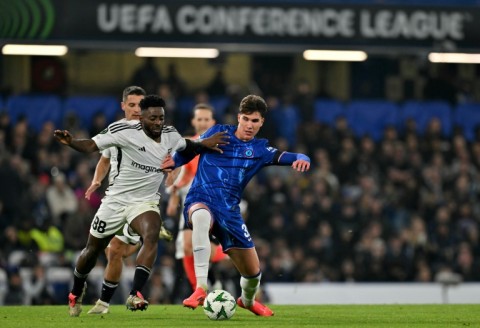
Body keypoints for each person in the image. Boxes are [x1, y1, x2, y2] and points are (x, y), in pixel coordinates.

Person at [54, 95, 228, 317]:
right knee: (92, 251)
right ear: (142, 118)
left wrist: (205, 145)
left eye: (161, 118)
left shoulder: (169, 134)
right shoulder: (124, 131)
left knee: (152, 232)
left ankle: (135, 293)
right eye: (153, 118)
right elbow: (91, 145)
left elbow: (188, 146)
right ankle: (76, 291)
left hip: (144, 202)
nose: (158, 122)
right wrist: (71, 142)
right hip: (116, 200)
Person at [162, 95, 310, 316]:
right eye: (246, 119)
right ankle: (201, 288)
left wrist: (303, 157)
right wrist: (174, 161)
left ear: (262, 123)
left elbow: (288, 156)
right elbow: (191, 149)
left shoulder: (260, 150)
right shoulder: (218, 133)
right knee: (200, 218)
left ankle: (247, 301)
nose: (249, 125)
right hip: (201, 198)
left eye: (255, 121)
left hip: (230, 212)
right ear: (239, 117)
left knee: (252, 274)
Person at [83, 86, 173, 315]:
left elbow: (174, 160)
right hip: (115, 199)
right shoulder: (116, 131)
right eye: (131, 105)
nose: (136, 110)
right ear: (122, 105)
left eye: (140, 106)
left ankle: (116, 299)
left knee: (115, 250)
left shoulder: (155, 133)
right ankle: (108, 301)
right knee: (113, 252)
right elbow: (104, 160)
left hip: (138, 203)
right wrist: (96, 181)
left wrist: (173, 175)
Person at [165, 103, 227, 294]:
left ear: (213, 121)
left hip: (217, 202)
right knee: (186, 246)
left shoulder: (223, 145)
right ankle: (199, 291)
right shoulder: (187, 145)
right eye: (199, 119)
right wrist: (173, 193)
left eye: (206, 119)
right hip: (193, 202)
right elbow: (179, 172)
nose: (202, 122)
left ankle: (226, 258)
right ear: (193, 121)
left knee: (203, 248)